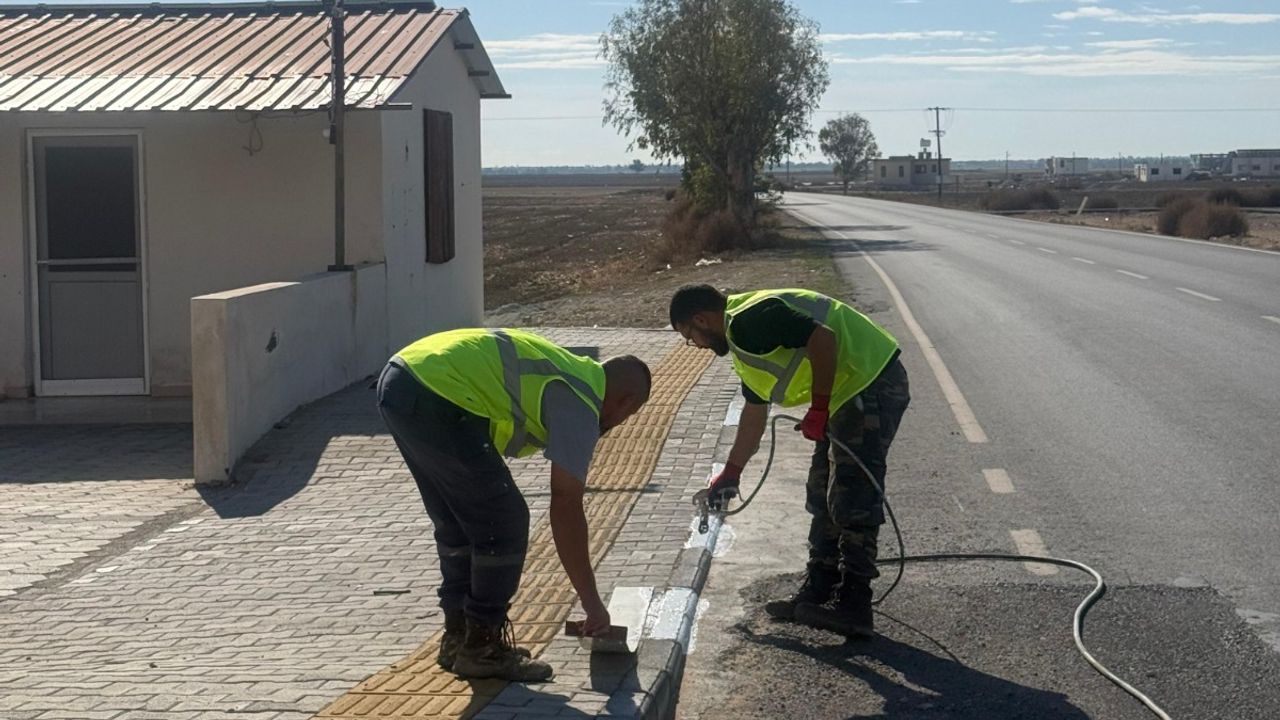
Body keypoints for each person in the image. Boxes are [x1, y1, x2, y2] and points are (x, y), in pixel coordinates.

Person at [375, 328, 652, 681]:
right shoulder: (582, 399)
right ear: (627, 403)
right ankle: (482, 648)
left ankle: (459, 638)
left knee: (459, 523)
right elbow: (566, 504)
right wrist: (592, 603)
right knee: (504, 523)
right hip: (439, 392)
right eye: (629, 415)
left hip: (401, 380)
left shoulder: (568, 369)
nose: (619, 424)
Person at [668, 285, 909, 638]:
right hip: (846, 391)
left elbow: (823, 338)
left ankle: (855, 603)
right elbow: (754, 413)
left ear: (701, 320)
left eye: (690, 337)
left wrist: (819, 408)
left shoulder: (749, 320)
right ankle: (819, 588)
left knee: (852, 492)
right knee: (820, 489)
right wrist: (731, 472)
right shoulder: (741, 340)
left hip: (870, 380)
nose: (697, 345)